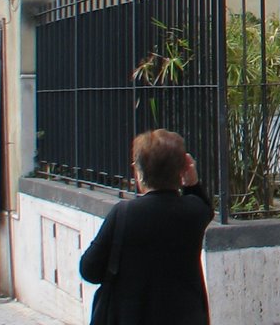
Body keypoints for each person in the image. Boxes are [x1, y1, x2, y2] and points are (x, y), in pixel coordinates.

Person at [80, 129, 213, 325]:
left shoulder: (124, 214)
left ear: (139, 172)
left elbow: (89, 269)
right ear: (183, 169)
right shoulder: (193, 212)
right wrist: (192, 182)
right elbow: (205, 209)